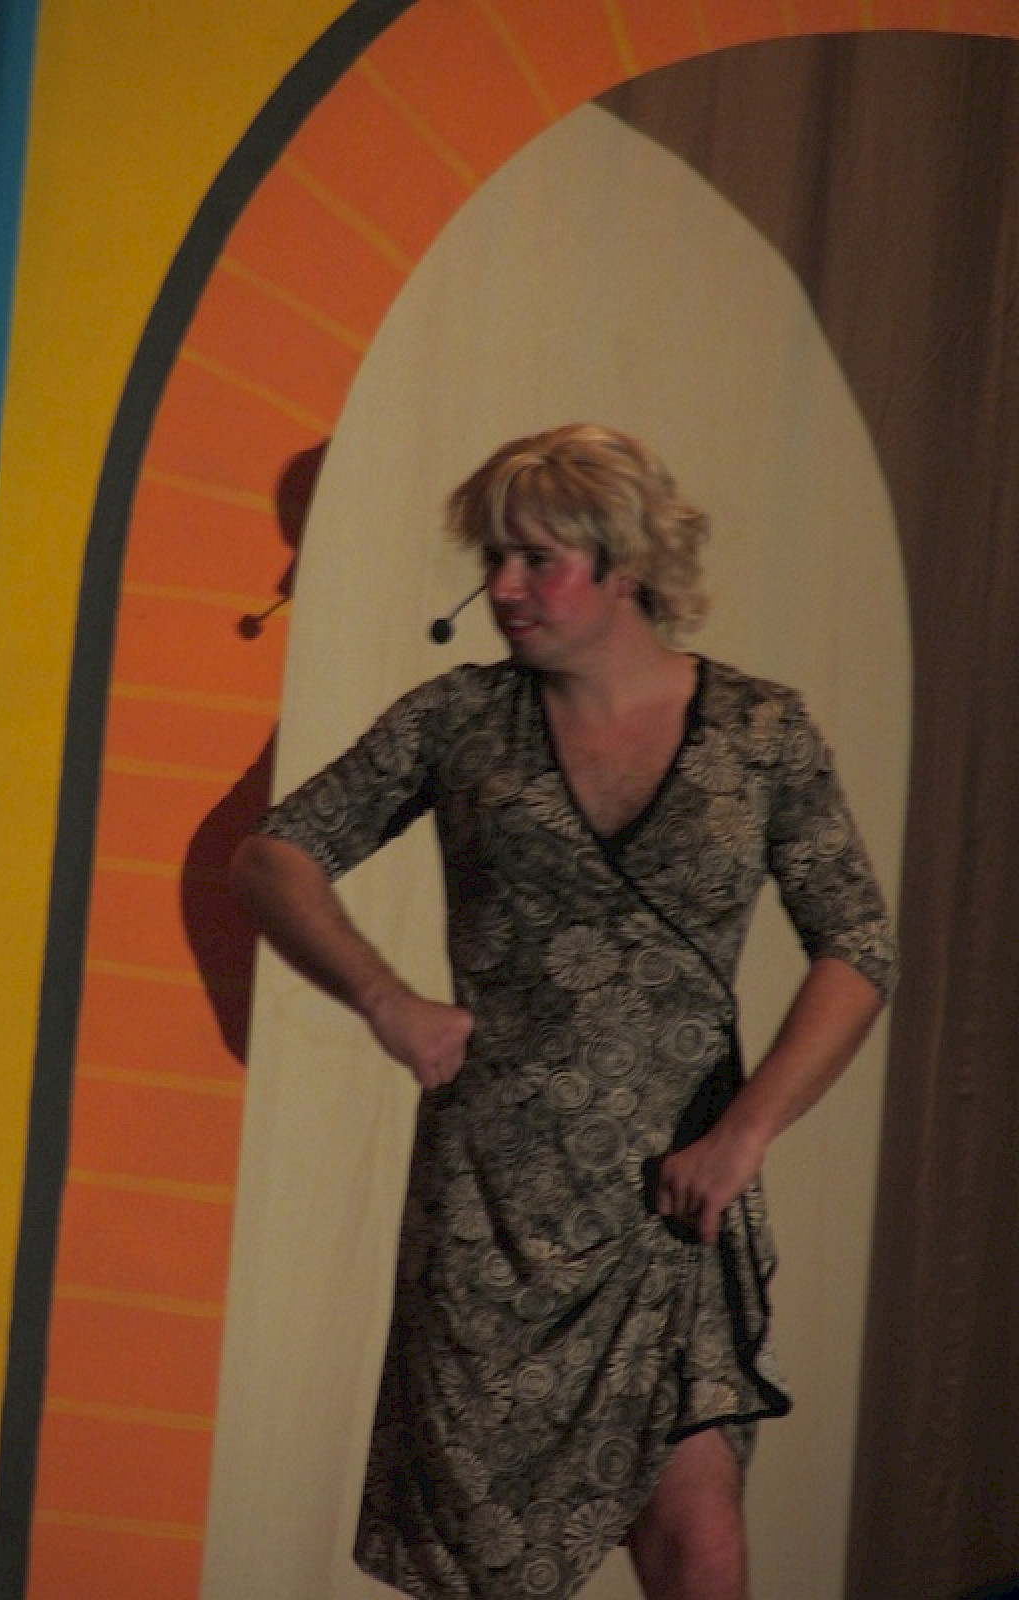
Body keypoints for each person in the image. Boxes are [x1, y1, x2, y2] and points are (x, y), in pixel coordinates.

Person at [230, 423, 898, 1600]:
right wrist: (386, 1000)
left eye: (536, 559)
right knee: (487, 1566)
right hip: (493, 1209)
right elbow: (273, 857)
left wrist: (743, 1134)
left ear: (624, 563)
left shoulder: (761, 732)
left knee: (702, 1540)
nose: (503, 587)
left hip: (673, 1199)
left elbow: (859, 945)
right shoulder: (458, 720)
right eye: (494, 558)